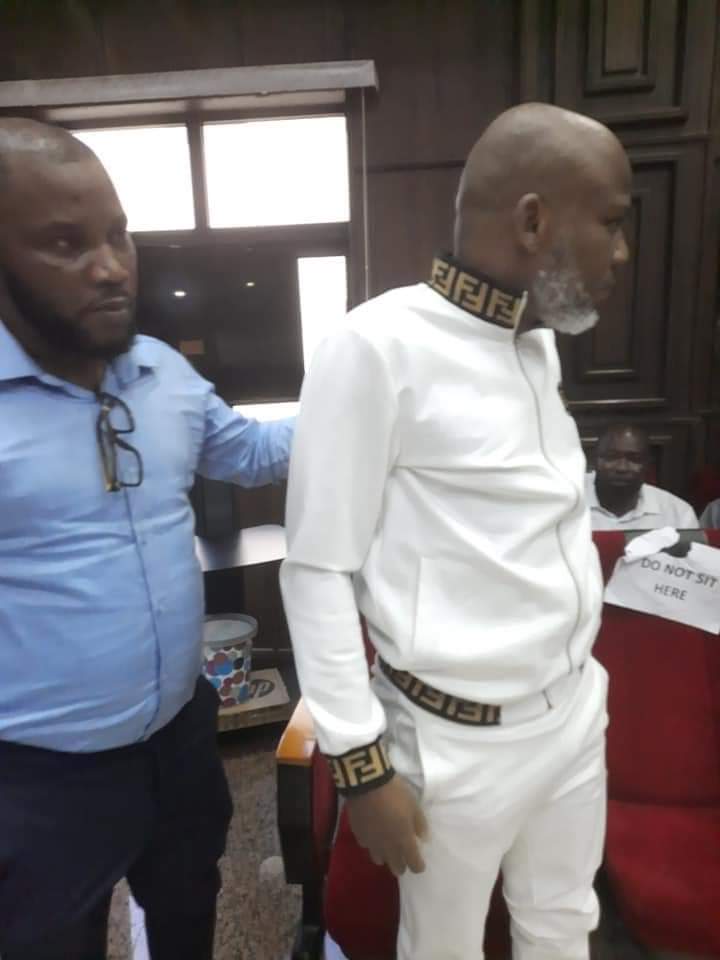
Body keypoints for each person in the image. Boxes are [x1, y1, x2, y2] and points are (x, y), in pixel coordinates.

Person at [280, 102, 631, 960]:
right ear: (533, 222)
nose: (622, 253)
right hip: (454, 741)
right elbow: (317, 569)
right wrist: (360, 765)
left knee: (563, 922)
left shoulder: (533, 345)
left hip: (572, 712)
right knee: (443, 949)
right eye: (612, 222)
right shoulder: (375, 347)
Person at [0, 118, 293, 960]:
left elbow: (250, 453)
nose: (111, 266)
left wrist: (367, 400)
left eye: (118, 235)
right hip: (40, 778)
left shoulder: (163, 372)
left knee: (189, 909)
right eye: (66, 243)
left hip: (180, 737)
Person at [586, 424, 698, 530]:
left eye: (634, 459)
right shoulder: (574, 497)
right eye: (611, 457)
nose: (622, 468)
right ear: (593, 459)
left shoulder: (678, 514)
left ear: (648, 464)